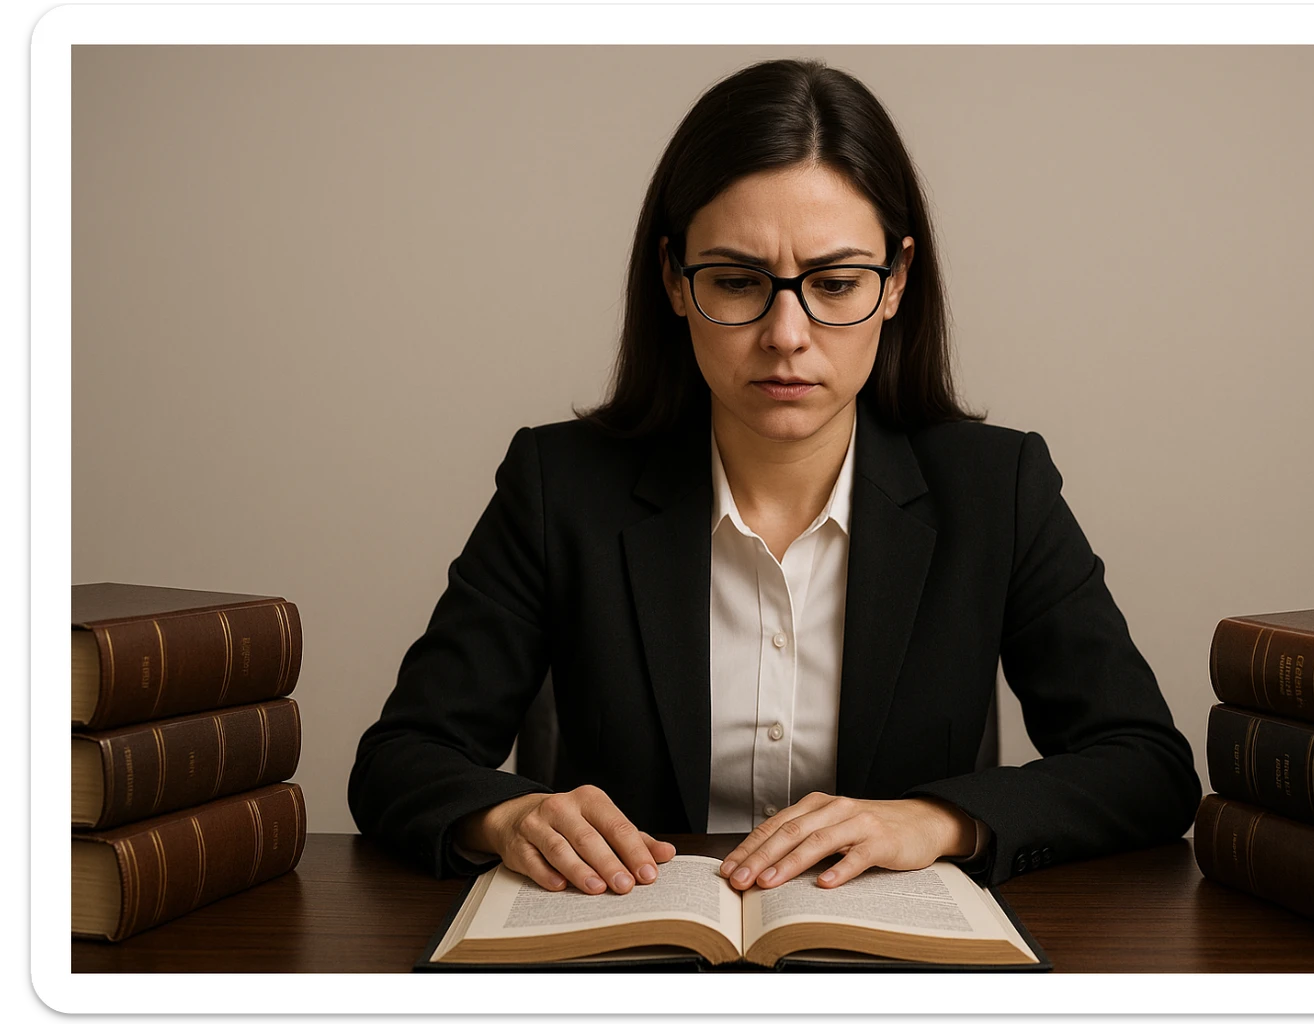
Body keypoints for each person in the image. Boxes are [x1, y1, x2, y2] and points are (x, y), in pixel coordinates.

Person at [348, 57, 1201, 898]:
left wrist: (936, 821)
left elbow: (1147, 767)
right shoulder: (559, 485)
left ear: (898, 280)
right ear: (674, 282)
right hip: (635, 951)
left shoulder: (997, 488)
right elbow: (400, 760)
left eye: (834, 284)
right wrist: (507, 819)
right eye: (736, 281)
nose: (786, 333)